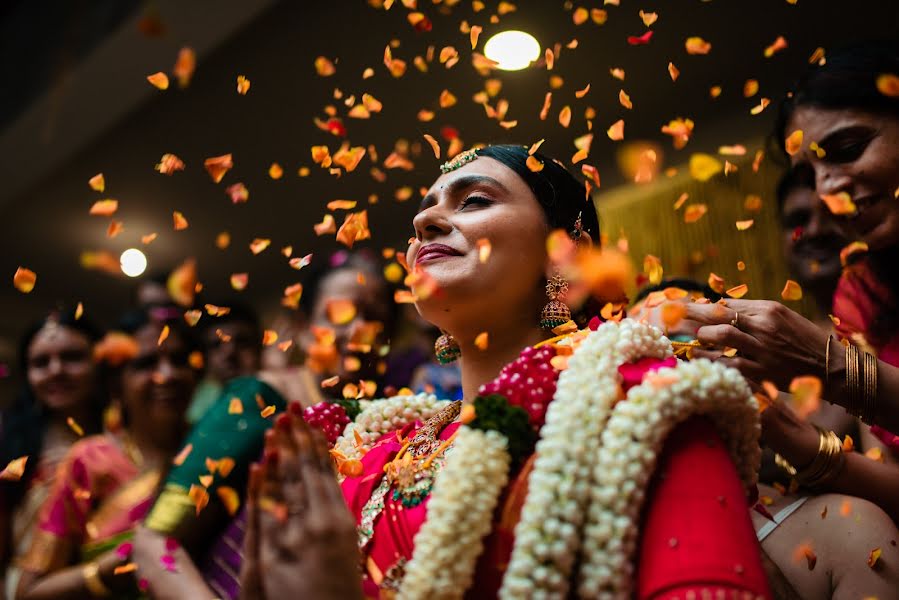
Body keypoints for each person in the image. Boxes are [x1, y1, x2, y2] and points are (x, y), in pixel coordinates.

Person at [233, 145, 773, 599]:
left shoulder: (643, 405)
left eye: (473, 200)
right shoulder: (371, 454)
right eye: (423, 214)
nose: (423, 223)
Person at [13, 308, 200, 599]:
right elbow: (30, 590)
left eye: (179, 360)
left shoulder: (216, 449)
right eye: (145, 363)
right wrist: (102, 573)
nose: (167, 375)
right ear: (116, 384)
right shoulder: (90, 461)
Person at [0, 309, 106, 599]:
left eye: (72, 357)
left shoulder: (125, 434)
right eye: (40, 362)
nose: (56, 370)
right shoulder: (9, 442)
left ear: (99, 362)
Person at [186, 303, 262, 424]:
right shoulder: (194, 415)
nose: (229, 353)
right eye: (216, 345)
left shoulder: (290, 392)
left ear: (260, 348)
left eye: (242, 342)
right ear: (205, 359)